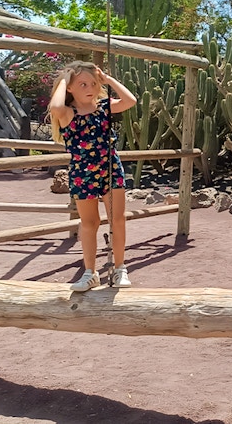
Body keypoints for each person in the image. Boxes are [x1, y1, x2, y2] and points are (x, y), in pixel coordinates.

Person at [49, 60, 137, 292]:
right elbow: (56, 108)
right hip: (82, 172)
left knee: (117, 219)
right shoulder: (68, 113)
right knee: (89, 223)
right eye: (83, 84)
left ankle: (119, 268)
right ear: (70, 88)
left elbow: (130, 101)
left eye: (93, 83)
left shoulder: (103, 106)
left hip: (110, 168)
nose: (90, 88)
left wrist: (108, 80)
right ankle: (90, 273)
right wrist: (65, 79)